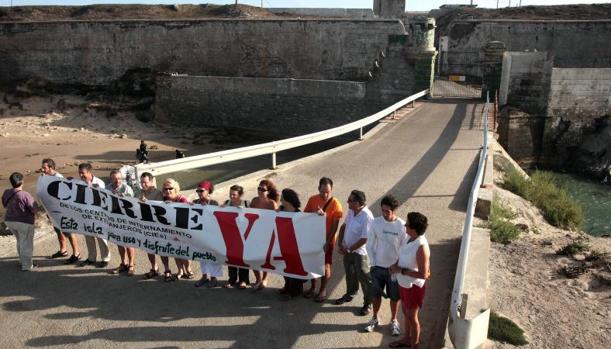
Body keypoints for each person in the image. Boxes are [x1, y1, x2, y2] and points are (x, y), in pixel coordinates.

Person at [363, 194, 407, 336]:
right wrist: (373, 264)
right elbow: (369, 245)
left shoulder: (402, 225)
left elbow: (404, 248)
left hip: (394, 270)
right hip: (378, 268)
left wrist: (398, 266)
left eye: (387, 211)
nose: (384, 214)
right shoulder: (376, 223)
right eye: (382, 210)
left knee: (395, 297)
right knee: (376, 296)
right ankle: (375, 318)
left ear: (394, 210)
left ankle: (394, 320)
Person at [389, 212, 431, 349]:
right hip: (404, 284)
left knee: (412, 317)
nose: (405, 225)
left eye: (407, 224)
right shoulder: (410, 238)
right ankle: (407, 339)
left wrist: (400, 270)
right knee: (406, 313)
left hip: (414, 287)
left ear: (413, 228)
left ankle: (415, 345)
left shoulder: (421, 246)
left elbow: (424, 274)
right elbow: (403, 255)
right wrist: (396, 265)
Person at [334, 189, 374, 316]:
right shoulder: (352, 211)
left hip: (360, 252)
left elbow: (364, 238)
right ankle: (350, 293)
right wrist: (340, 243)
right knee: (350, 273)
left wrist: (349, 249)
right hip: (348, 249)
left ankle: (368, 303)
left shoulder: (367, 216)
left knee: (364, 277)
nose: (347, 202)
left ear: (358, 202)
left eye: (350, 200)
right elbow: (344, 226)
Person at [303, 177, 343, 302]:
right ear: (318, 188)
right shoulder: (312, 200)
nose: (325, 194)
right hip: (313, 239)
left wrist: (327, 242)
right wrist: (315, 215)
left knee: (325, 265)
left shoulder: (336, 204)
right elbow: (304, 217)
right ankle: (313, 287)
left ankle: (322, 290)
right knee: (312, 264)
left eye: (328, 192)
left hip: (327, 241)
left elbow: (335, 227)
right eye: (323, 191)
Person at [41, 158, 80, 264]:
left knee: (69, 231)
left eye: (44, 168)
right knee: (58, 230)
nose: (42, 169)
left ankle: (76, 254)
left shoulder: (58, 178)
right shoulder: (45, 177)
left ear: (51, 167)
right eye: (42, 167)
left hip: (62, 210)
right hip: (52, 210)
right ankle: (63, 250)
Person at [76, 163, 111, 268]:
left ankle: (105, 258)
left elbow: (101, 198)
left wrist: (89, 186)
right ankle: (91, 258)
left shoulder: (99, 182)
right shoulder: (78, 183)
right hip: (85, 215)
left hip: (98, 215)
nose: (81, 175)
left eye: (83, 173)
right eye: (80, 173)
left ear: (89, 172)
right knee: (88, 237)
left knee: (101, 237)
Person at [2, 172, 38, 271]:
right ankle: (26, 265)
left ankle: (22, 261)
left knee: (20, 241)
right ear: (22, 181)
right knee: (26, 243)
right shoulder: (25, 195)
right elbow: (34, 209)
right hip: (24, 222)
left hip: (9, 220)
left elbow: (5, 205)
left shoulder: (6, 192)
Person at [250, 179, 280, 290]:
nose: (260, 191)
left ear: (268, 192)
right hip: (254, 232)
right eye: (259, 188)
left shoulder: (272, 203)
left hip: (267, 234)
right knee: (252, 257)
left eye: (263, 189)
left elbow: (277, 219)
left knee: (266, 258)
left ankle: (265, 278)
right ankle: (257, 279)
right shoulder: (254, 201)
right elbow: (247, 214)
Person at [161, 178, 192, 282]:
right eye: (165, 189)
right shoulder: (164, 199)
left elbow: (189, 213)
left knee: (183, 252)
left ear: (176, 189)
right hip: (170, 230)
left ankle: (188, 269)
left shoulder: (182, 199)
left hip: (182, 230)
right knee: (175, 251)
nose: (168, 191)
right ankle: (180, 270)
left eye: (171, 188)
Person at [193, 180, 222, 288]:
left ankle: (214, 278)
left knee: (213, 256)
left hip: (212, 234)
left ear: (208, 191)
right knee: (202, 256)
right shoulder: (195, 202)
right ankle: (204, 276)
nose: (199, 193)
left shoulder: (214, 203)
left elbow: (218, 218)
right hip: (200, 234)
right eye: (198, 191)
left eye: (201, 191)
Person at [277, 188, 305, 300]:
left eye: (282, 198)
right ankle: (287, 286)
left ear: (287, 200)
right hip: (284, 245)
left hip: (295, 246)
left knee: (294, 269)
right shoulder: (281, 211)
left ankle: (294, 291)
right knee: (285, 268)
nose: (280, 200)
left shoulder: (298, 214)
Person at [106, 170, 136, 276]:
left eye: (119, 178)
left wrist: (120, 196)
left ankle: (131, 264)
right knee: (119, 242)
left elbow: (133, 204)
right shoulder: (108, 188)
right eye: (114, 178)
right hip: (114, 219)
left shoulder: (127, 188)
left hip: (126, 219)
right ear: (111, 179)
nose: (117, 180)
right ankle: (124, 263)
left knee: (129, 242)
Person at [222, 184, 250, 289]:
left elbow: (254, 218)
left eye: (234, 195)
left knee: (243, 258)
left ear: (240, 195)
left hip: (244, 236)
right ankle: (232, 280)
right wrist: (221, 208)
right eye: (230, 194)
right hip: (230, 235)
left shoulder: (247, 204)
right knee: (231, 258)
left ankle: (244, 280)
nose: (231, 197)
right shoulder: (227, 203)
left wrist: (244, 211)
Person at [138, 172, 165, 280]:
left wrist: (147, 202)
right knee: (149, 248)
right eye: (141, 182)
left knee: (161, 248)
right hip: (145, 224)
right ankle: (154, 268)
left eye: (145, 182)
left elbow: (160, 209)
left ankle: (166, 269)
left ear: (151, 181)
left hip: (157, 225)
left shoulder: (158, 193)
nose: (143, 185)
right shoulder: (139, 192)